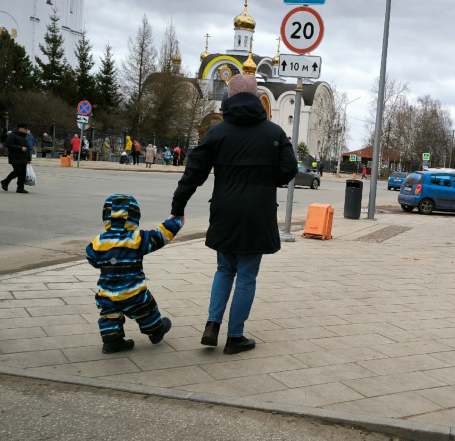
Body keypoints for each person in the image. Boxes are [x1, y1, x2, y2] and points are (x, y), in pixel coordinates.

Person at [170, 74, 297, 355]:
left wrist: (178, 208)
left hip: (225, 209)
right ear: (256, 97)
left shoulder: (218, 133)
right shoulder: (274, 133)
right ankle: (235, 336)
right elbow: (289, 168)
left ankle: (212, 325)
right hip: (258, 212)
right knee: (247, 274)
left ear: (229, 97)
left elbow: (193, 173)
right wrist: (268, 180)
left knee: (224, 269)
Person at [85, 194, 183, 354]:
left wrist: (106, 261)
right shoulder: (136, 239)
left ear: (106, 217)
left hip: (108, 292)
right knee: (146, 309)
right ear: (134, 216)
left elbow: (91, 257)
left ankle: (112, 342)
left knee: (109, 314)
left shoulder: (99, 241)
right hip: (133, 291)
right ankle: (155, 331)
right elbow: (159, 237)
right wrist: (176, 222)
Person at [0, 123, 32, 194]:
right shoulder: (12, 135)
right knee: (17, 171)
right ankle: (5, 181)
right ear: (20, 128)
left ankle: (20, 188)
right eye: (25, 129)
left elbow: (27, 147)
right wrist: (20, 148)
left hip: (23, 157)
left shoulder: (24, 136)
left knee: (23, 173)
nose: (26, 131)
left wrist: (29, 158)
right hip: (14, 156)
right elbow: (9, 144)